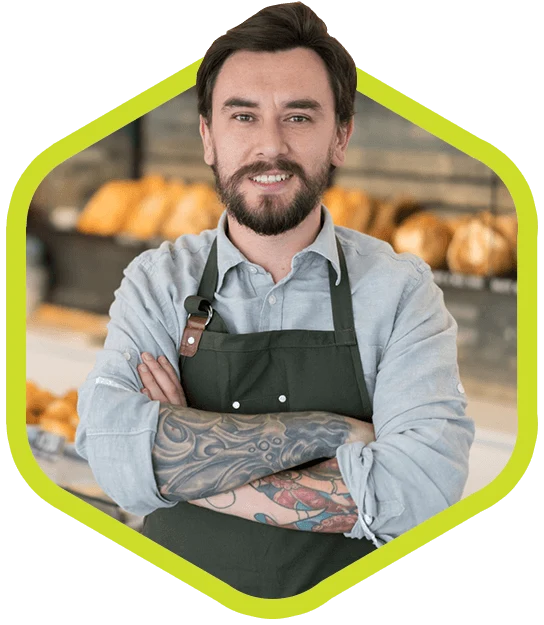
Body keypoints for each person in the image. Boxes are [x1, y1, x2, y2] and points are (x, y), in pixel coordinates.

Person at [75, 1, 475, 599]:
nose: (270, 146)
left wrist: (176, 455)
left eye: (299, 117)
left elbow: (421, 492)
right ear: (208, 137)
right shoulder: (156, 282)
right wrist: (335, 431)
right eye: (242, 116)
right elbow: (111, 456)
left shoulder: (400, 292)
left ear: (340, 136)